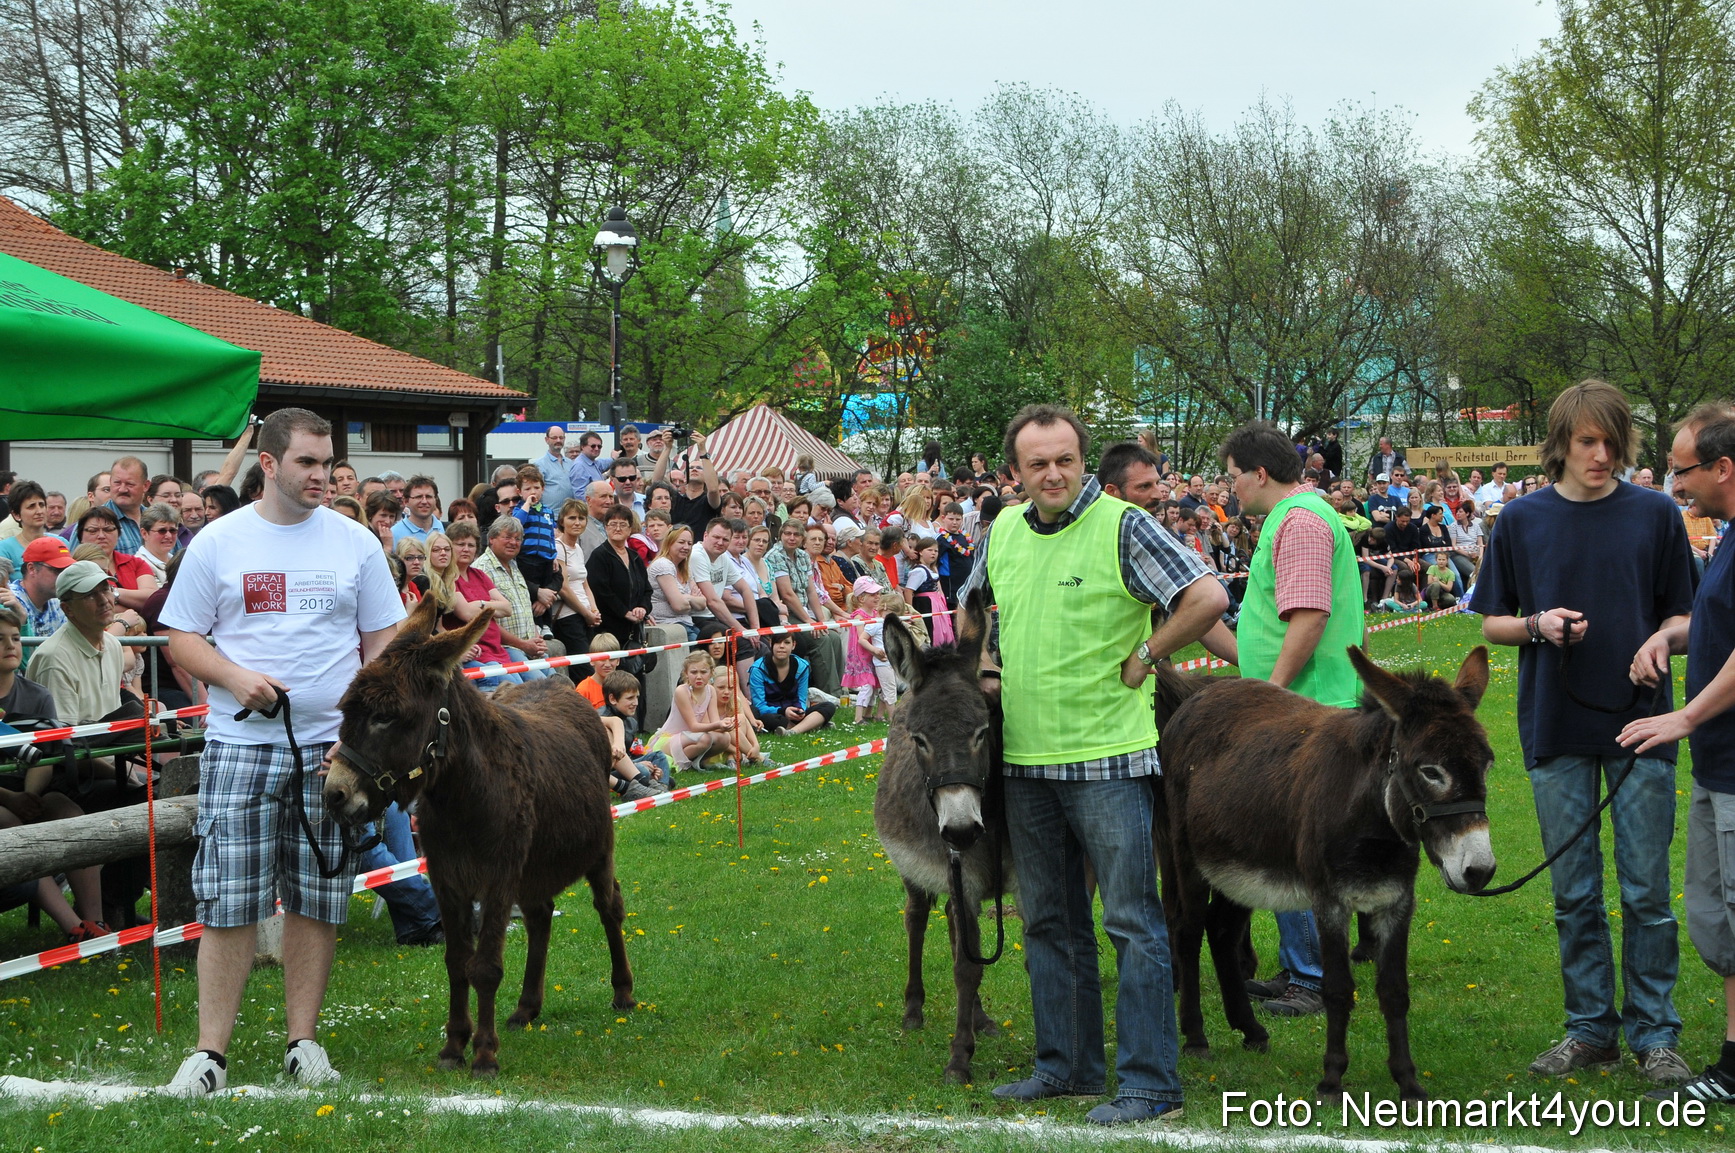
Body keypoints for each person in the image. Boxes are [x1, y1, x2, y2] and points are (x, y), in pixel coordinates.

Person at [960, 403, 1230, 1125]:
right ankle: (1066, 1066)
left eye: (1064, 460)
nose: (1051, 473)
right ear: (1013, 472)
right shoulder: (1004, 531)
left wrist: (1147, 654)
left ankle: (1150, 1085)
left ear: (1081, 462)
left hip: (1109, 760)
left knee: (1131, 924)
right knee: (1047, 921)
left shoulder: (1124, 523)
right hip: (1024, 763)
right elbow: (971, 607)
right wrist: (983, 665)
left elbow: (1206, 594)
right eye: (1036, 463)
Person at [159, 407, 405, 1096]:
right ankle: (210, 1054)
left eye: (327, 464)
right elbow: (180, 635)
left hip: (332, 752)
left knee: (319, 897)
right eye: (306, 463)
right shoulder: (220, 540)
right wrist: (236, 678)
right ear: (267, 463)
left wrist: (357, 714)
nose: (321, 476)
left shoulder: (355, 543)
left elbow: (384, 638)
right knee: (230, 900)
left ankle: (304, 1043)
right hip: (240, 744)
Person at [1475, 380, 1696, 1084]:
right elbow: (1490, 621)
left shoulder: (1656, 514)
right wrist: (1537, 625)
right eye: (1586, 442)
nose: (1600, 455)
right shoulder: (1520, 520)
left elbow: (1687, 616)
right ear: (1560, 445)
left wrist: (1663, 640)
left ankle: (1654, 1033)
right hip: (1554, 724)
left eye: (1610, 442)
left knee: (1645, 893)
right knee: (1572, 893)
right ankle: (1589, 1028)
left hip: (1644, 723)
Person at [1214, 421, 1365, 1018]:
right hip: (1307, 704)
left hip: (1307, 709)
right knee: (1299, 842)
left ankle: (1311, 978)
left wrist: (1268, 696)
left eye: (1231, 477)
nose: (1229, 489)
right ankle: (1307, 968)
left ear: (1259, 473)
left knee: (1299, 846)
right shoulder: (1298, 517)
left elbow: (1307, 618)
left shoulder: (1300, 521)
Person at [1618, 402, 1735, 1103]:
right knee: (1720, 922)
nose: (1672, 480)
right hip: (1719, 766)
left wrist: (1684, 716)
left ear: (1723, 467)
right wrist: (1671, 637)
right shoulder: (1726, 537)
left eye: (1681, 468)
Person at [442, 520, 519, 692]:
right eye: (460, 544)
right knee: (516, 689)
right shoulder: (448, 578)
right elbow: (467, 613)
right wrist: (491, 607)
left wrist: (480, 604)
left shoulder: (479, 574)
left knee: (533, 681)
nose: (466, 549)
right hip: (476, 651)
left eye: (471, 545)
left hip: (497, 649)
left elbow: (507, 608)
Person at [474, 517, 551, 681]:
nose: (513, 542)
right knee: (543, 686)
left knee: (559, 682)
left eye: (517, 539)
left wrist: (537, 639)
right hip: (506, 649)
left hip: (530, 648)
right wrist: (522, 645)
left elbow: (524, 609)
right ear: (491, 539)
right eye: (507, 537)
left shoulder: (514, 567)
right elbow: (486, 623)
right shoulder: (481, 569)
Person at [647, 650, 730, 772]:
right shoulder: (682, 691)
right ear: (686, 673)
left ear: (711, 673)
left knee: (725, 738)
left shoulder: (710, 690)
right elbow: (693, 726)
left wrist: (726, 725)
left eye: (703, 672)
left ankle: (697, 760)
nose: (699, 677)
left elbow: (715, 722)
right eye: (694, 672)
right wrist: (718, 724)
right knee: (705, 739)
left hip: (692, 736)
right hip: (670, 738)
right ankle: (683, 762)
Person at [750, 632, 835, 734]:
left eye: (786, 642)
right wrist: (783, 711)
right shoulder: (758, 669)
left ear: (793, 645)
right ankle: (812, 725)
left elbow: (802, 698)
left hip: (794, 712)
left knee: (829, 706)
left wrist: (800, 711)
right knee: (765, 717)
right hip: (773, 713)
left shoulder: (802, 666)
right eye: (777, 642)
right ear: (771, 644)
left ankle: (793, 731)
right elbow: (759, 705)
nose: (782, 646)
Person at [844, 578, 896, 724]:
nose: (877, 596)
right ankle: (858, 717)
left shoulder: (875, 614)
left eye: (878, 593)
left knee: (875, 685)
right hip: (863, 655)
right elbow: (862, 637)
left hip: (874, 655)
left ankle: (869, 714)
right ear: (861, 598)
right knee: (867, 686)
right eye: (873, 594)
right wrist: (874, 650)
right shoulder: (859, 615)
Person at [532, 425, 576, 512]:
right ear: (547, 440)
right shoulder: (539, 465)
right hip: (549, 515)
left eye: (561, 437)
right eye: (554, 438)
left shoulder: (571, 463)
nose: (558, 440)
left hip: (569, 514)